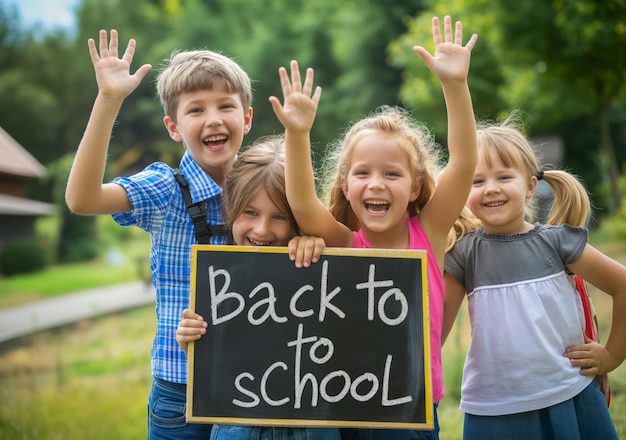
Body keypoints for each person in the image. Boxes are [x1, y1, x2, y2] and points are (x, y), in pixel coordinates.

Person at [269, 15, 478, 440]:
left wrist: (455, 86)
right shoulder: (346, 243)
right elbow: (302, 202)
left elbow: (464, 163)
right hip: (346, 410)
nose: (376, 184)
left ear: (415, 185)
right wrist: (297, 133)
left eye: (392, 174)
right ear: (345, 186)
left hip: (411, 412)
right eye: (362, 173)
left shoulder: (430, 233)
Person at [65, 29, 255, 439]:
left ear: (247, 117)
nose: (214, 119)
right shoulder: (164, 189)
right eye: (196, 110)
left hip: (252, 382)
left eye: (226, 106)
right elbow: (82, 199)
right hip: (179, 387)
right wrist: (108, 101)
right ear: (173, 127)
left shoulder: (267, 187)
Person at [442, 114, 626, 439]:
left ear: (529, 186)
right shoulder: (462, 254)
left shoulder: (558, 242)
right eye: (476, 180)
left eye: (503, 177)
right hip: (494, 409)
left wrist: (612, 355)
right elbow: (434, 329)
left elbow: (622, 285)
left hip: (570, 395)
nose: (491, 189)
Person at [176, 135, 339, 440]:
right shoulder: (219, 278)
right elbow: (217, 364)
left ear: (296, 220)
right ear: (231, 208)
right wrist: (192, 342)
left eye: (279, 217)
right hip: (237, 425)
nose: (262, 230)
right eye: (250, 213)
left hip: (312, 425)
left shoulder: (316, 264)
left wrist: (316, 245)